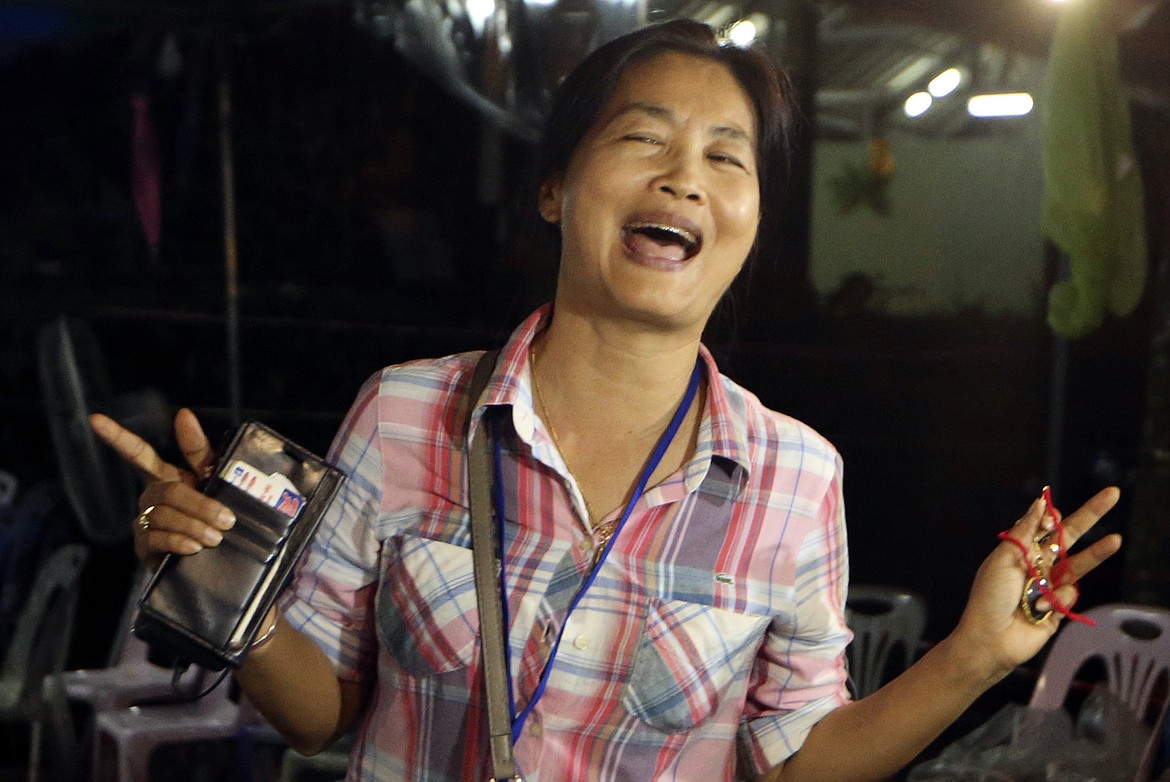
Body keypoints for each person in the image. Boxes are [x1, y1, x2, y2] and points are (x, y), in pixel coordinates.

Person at [90, 20, 1123, 782]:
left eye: (728, 157)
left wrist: (975, 654)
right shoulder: (407, 412)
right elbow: (322, 715)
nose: (685, 177)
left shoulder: (798, 475)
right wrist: (232, 584)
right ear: (556, 186)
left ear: (751, 220)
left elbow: (796, 761)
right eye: (644, 138)